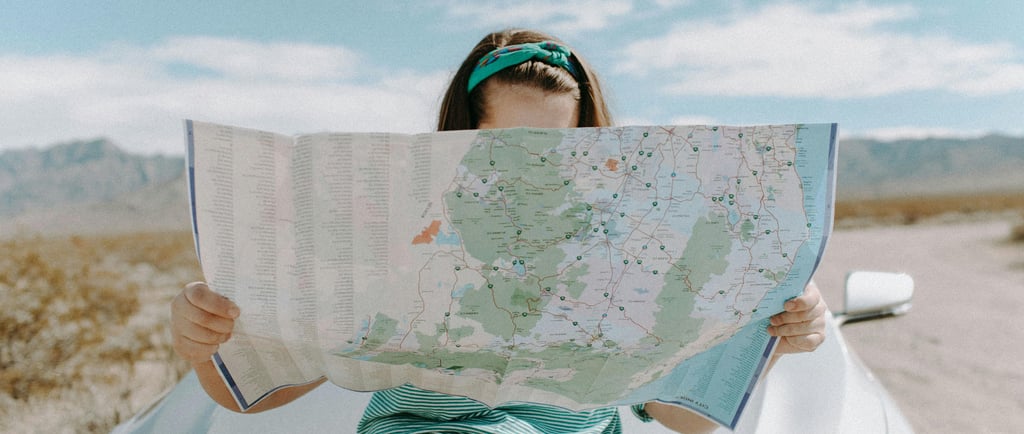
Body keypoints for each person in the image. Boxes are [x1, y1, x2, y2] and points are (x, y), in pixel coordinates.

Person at [171, 28, 828, 434]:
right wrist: (208, 345)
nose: (529, 171)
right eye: (505, 146)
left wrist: (770, 344)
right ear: (457, 139)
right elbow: (259, 398)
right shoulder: (390, 237)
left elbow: (682, 418)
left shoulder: (629, 256)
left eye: (556, 149)